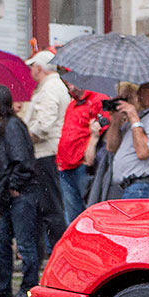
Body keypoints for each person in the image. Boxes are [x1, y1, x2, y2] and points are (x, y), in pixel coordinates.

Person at [0, 83, 41, 297]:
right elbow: (1, 156)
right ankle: (3, 286)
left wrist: (15, 185)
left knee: (24, 244)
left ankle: (28, 288)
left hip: (20, 194)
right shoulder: (4, 125)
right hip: (10, 195)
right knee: (2, 242)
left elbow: (22, 160)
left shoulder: (13, 126)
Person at [25, 51, 70, 250]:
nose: (31, 71)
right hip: (48, 151)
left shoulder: (50, 88)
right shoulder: (52, 86)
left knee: (50, 205)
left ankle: (55, 251)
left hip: (46, 152)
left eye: (32, 67)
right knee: (49, 204)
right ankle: (52, 250)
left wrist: (24, 139)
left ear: (38, 68)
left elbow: (44, 124)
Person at [56, 78, 106, 223]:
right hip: (66, 165)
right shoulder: (73, 104)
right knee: (72, 216)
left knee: (86, 213)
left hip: (83, 166)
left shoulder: (97, 99)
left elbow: (105, 129)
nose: (68, 81)